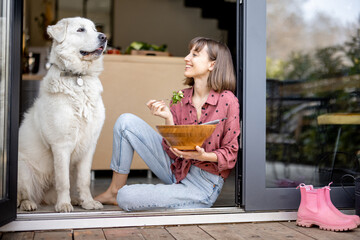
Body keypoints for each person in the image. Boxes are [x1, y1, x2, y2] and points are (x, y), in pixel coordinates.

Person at [94, 37, 240, 211]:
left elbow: (231, 153)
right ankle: (114, 190)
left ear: (212, 65)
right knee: (126, 121)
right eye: (189, 53)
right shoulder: (180, 96)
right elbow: (171, 150)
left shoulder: (228, 101)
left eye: (195, 54)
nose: (186, 58)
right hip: (175, 168)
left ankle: (178, 197)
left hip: (202, 184)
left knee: (126, 197)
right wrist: (168, 118)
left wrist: (202, 157)